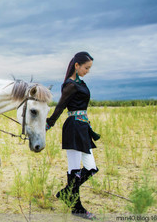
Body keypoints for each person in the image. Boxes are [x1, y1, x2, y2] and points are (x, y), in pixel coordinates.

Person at [46, 51, 100, 220]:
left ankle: (66, 193)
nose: (88, 71)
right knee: (75, 169)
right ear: (77, 66)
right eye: (86, 67)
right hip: (73, 127)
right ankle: (77, 207)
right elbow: (60, 106)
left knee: (91, 168)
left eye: (89, 68)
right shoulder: (70, 85)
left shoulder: (80, 83)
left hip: (83, 127)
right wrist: (49, 123)